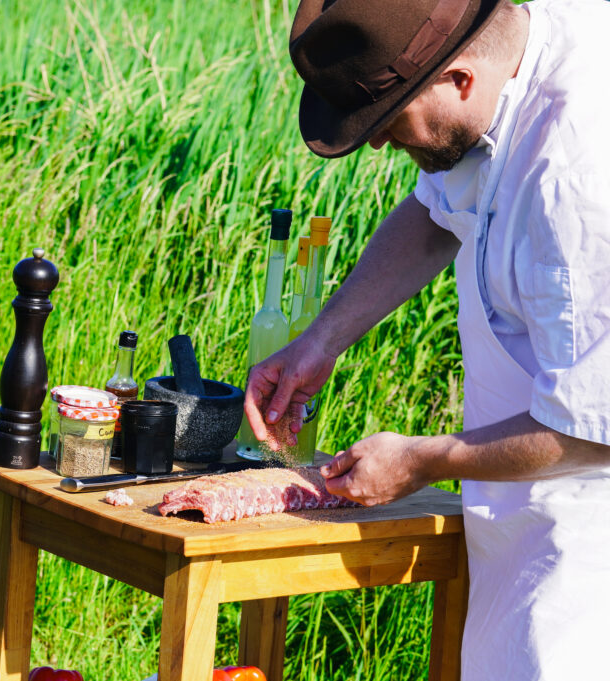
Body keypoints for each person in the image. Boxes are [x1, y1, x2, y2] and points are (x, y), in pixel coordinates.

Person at [244, 0, 610, 678]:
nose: (380, 144)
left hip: (589, 564)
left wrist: (423, 459)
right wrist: (320, 339)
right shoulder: (495, 77)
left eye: (387, 122)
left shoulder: (581, 184)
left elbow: (592, 426)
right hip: (517, 522)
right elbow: (438, 207)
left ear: (461, 78)